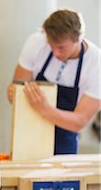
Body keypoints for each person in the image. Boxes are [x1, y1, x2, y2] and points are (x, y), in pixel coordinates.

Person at [7, 9, 101, 154]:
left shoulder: (96, 63)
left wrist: (44, 108)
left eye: (61, 47)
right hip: (28, 132)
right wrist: (14, 94)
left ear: (79, 38)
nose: (55, 53)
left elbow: (80, 122)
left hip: (66, 138)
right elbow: (14, 91)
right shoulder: (37, 42)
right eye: (51, 45)